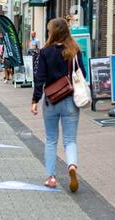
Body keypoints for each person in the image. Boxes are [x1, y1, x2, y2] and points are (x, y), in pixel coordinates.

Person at [31, 17, 85, 193]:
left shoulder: (45, 52)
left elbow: (39, 78)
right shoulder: (75, 50)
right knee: (70, 140)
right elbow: (82, 74)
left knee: (51, 139)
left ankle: (51, 177)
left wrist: (34, 100)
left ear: (52, 32)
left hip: (51, 100)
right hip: (70, 100)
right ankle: (71, 166)